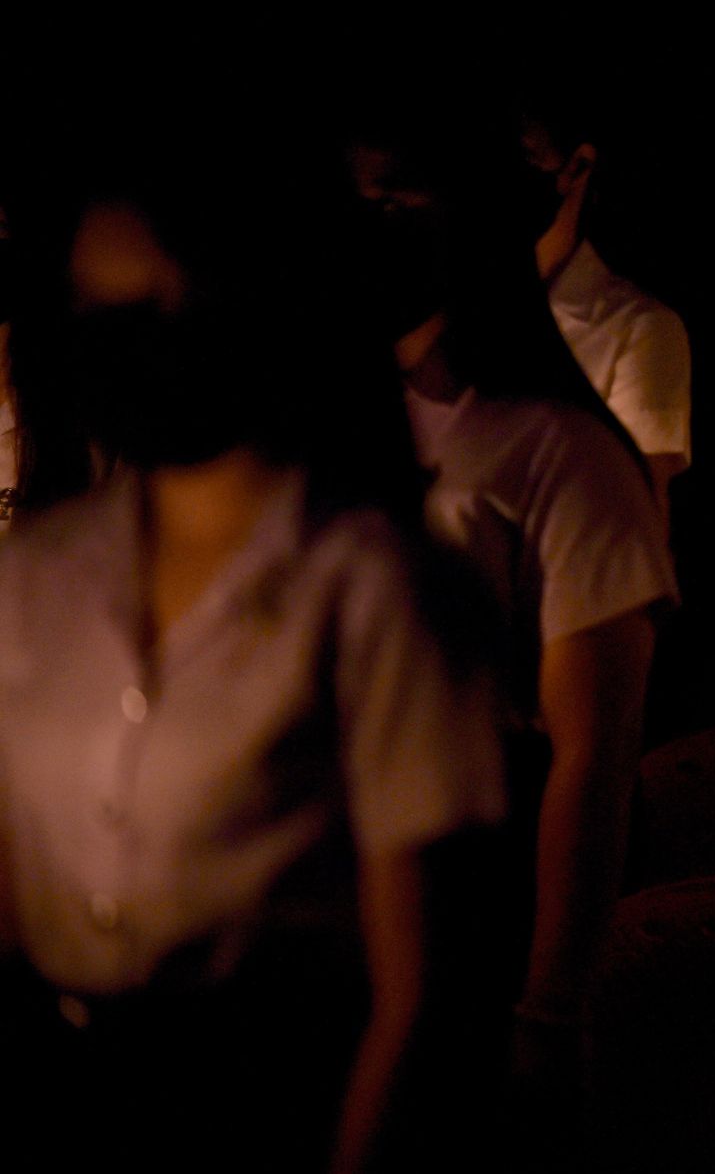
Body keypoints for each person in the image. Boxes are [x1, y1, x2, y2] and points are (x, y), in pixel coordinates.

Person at [0, 123, 508, 1170]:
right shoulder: (35, 578)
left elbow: (427, 987)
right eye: (102, 315)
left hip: (272, 1107)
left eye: (165, 310)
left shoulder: (373, 587)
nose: (132, 349)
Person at [348, 110, 678, 1162]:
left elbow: (591, 753)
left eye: (394, 200)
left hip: (476, 880)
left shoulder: (558, 451)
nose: (361, 228)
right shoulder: (326, 426)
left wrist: (549, 1006)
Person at [522, 93, 693, 519]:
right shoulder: (444, 315)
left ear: (577, 166)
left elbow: (638, 516)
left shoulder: (636, 331)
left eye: (522, 156)